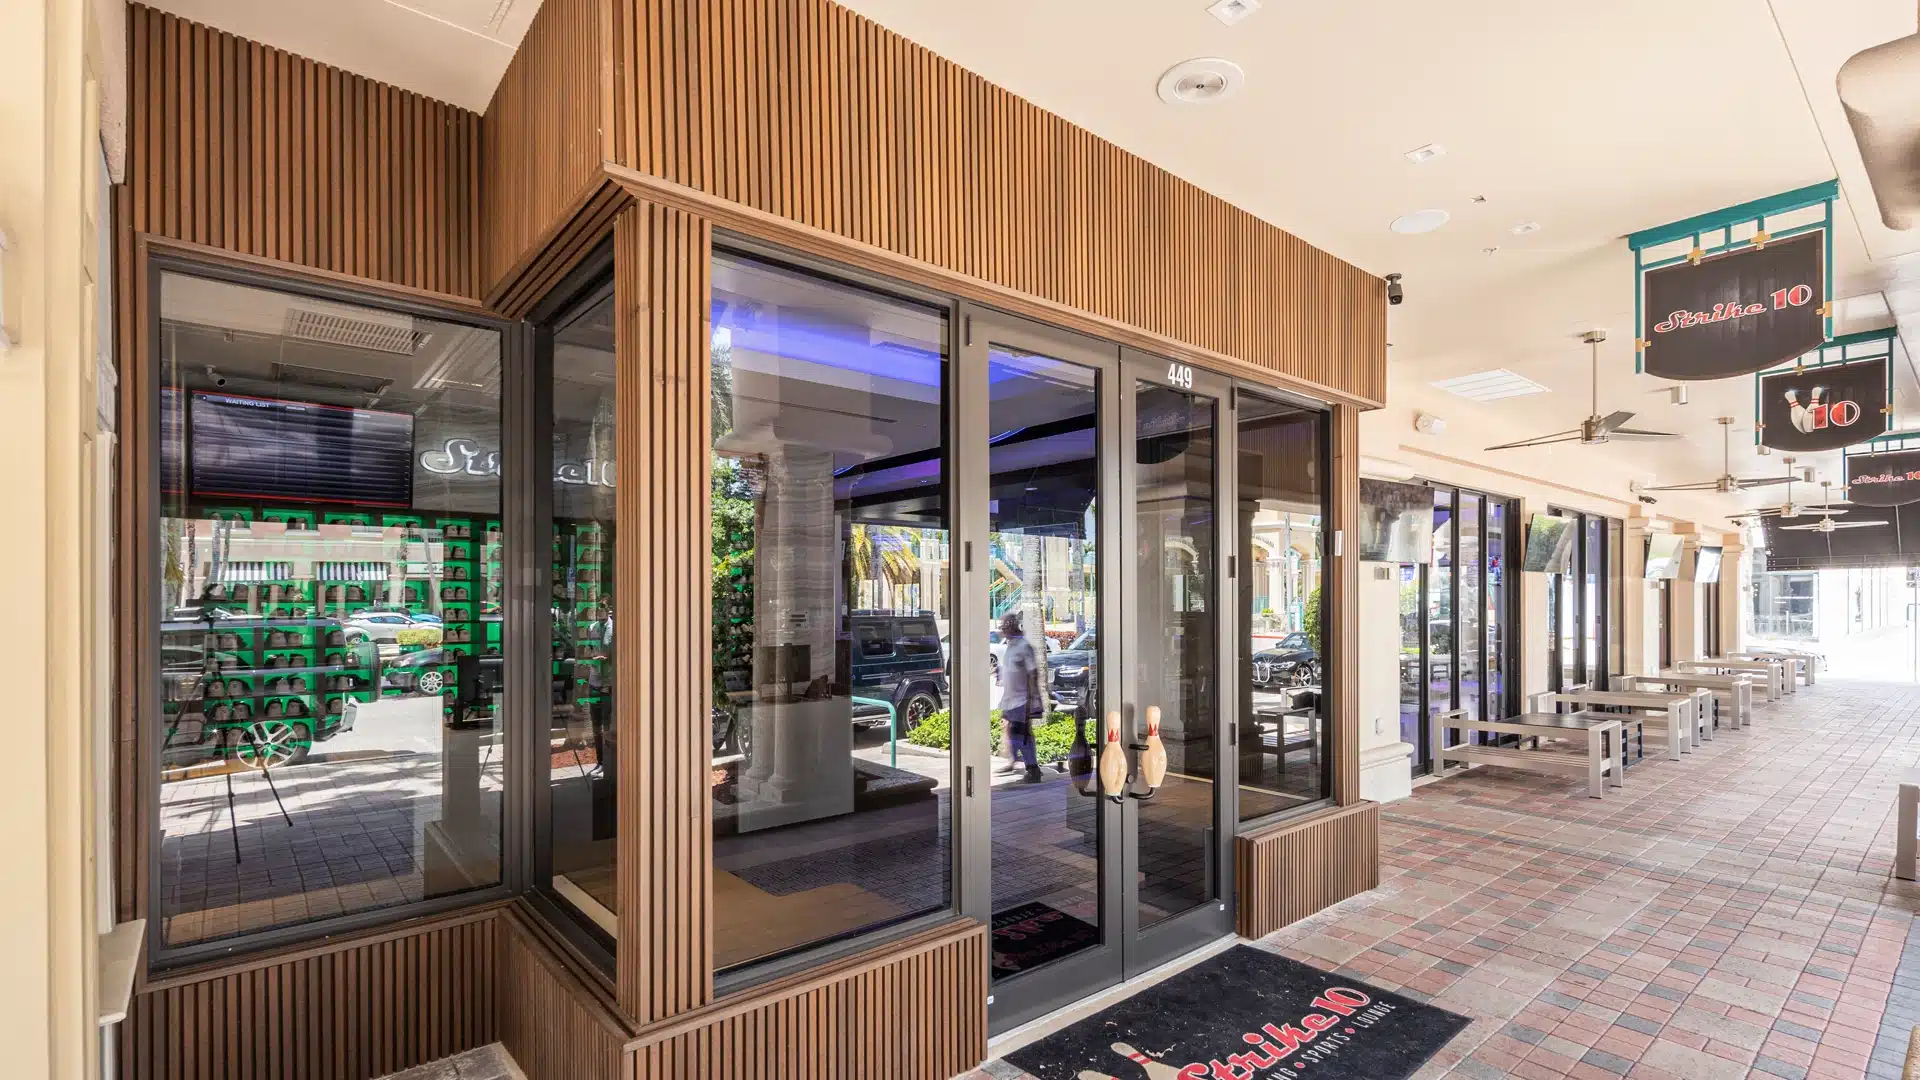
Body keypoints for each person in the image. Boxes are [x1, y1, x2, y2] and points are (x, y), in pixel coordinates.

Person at [995, 612, 1044, 783]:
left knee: (1022, 735)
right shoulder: (1010, 646)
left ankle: (1033, 769)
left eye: (1004, 626)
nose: (1002, 629)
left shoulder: (1024, 647)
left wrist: (1033, 700)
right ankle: (1014, 761)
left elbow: (1033, 674)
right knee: (1012, 733)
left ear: (1012, 626)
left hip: (1022, 701)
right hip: (1010, 700)